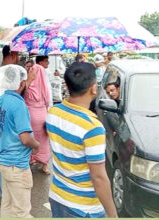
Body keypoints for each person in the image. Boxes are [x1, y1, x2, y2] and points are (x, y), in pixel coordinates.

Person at [46, 62, 118, 218]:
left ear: (67, 84)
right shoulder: (92, 128)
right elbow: (98, 177)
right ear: (93, 88)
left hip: (57, 196)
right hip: (83, 207)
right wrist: (112, 214)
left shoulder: (53, 112)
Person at [0, 65, 40, 218]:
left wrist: (1, 133)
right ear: (21, 83)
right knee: (22, 211)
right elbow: (25, 138)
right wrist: (37, 145)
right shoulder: (19, 105)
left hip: (3, 162)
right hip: (17, 165)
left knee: (8, 205)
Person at [0, 45, 22, 197]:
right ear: (13, 54)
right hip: (14, 118)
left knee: (0, 152)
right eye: (18, 54)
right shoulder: (18, 73)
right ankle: (10, 187)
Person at [25, 63, 51, 175]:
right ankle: (45, 165)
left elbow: (23, 96)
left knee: (32, 138)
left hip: (30, 114)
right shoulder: (45, 86)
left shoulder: (29, 86)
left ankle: (32, 158)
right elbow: (48, 102)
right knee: (44, 140)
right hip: (42, 114)